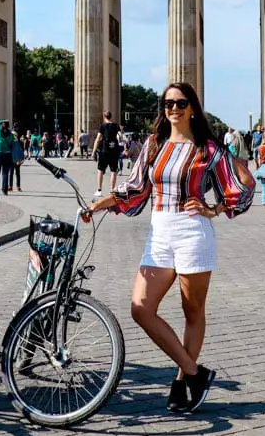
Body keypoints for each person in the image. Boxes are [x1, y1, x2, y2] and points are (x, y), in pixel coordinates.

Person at [89, 82, 254, 413]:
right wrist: (97, 205)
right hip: (159, 234)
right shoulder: (153, 145)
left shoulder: (208, 149)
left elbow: (244, 182)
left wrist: (215, 209)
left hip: (193, 232)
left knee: (192, 313)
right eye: (167, 103)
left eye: (180, 103)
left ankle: (181, 381)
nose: (173, 109)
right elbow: (135, 189)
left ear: (192, 107)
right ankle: (196, 373)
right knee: (141, 308)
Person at [93, 111, 122, 198]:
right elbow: (120, 135)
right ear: (111, 116)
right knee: (113, 170)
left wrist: (94, 151)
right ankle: (112, 190)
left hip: (104, 150)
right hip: (114, 150)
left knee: (100, 170)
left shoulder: (103, 126)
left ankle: (99, 190)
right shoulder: (116, 125)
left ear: (104, 116)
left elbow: (98, 139)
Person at [0, 119, 16, 195]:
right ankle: (5, 190)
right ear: (8, 126)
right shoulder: (11, 135)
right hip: (7, 155)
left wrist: (2, 121)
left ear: (2, 125)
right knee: (5, 173)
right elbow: (12, 144)